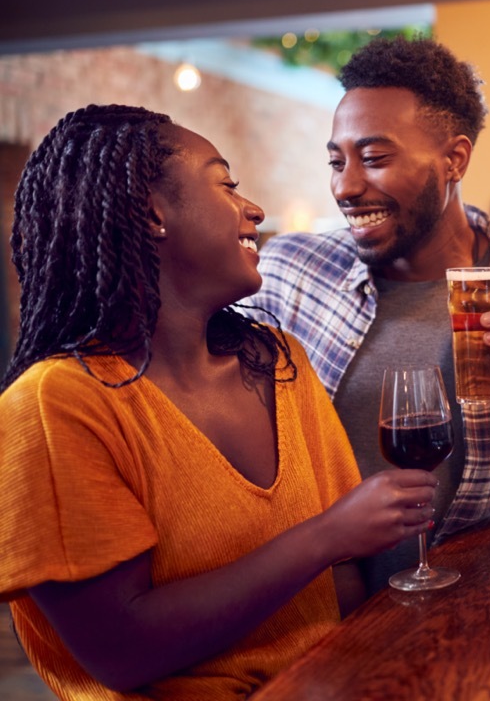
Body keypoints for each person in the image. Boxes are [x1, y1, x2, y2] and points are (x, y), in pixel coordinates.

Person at [0, 105, 438, 699]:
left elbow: (344, 585)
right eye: (226, 183)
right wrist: (324, 536)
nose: (253, 209)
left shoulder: (280, 361)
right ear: (152, 211)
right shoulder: (55, 406)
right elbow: (122, 653)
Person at [248, 37, 490, 594]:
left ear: (455, 159)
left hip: (466, 597)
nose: (346, 185)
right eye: (337, 161)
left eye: (376, 158)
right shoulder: (292, 270)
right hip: (308, 606)